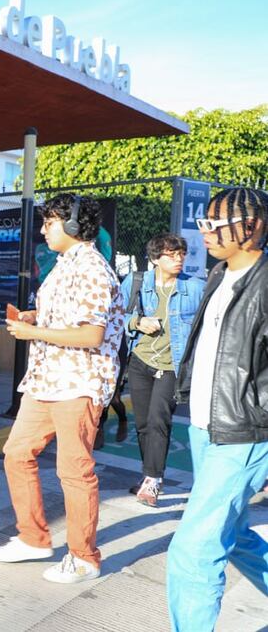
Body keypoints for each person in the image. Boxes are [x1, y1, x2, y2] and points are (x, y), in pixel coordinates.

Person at [0, 194, 124, 584]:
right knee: (17, 453)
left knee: (75, 471)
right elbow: (66, 316)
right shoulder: (65, 264)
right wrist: (35, 317)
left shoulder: (93, 270)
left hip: (79, 382)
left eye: (50, 222)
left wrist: (32, 332)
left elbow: (91, 334)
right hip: (47, 380)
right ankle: (33, 539)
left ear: (72, 225)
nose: (44, 229)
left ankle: (84, 558)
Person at [167, 188, 268, 631]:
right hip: (205, 428)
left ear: (251, 226)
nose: (204, 232)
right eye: (203, 222)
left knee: (193, 552)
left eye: (215, 224)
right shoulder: (218, 275)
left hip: (244, 433)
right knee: (235, 536)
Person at [120, 234, 204, 507]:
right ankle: (149, 475)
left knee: (159, 420)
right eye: (172, 254)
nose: (179, 259)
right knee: (143, 424)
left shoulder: (194, 288)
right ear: (155, 258)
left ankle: (153, 480)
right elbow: (115, 314)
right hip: (140, 362)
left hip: (171, 366)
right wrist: (137, 322)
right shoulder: (136, 282)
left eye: (181, 254)